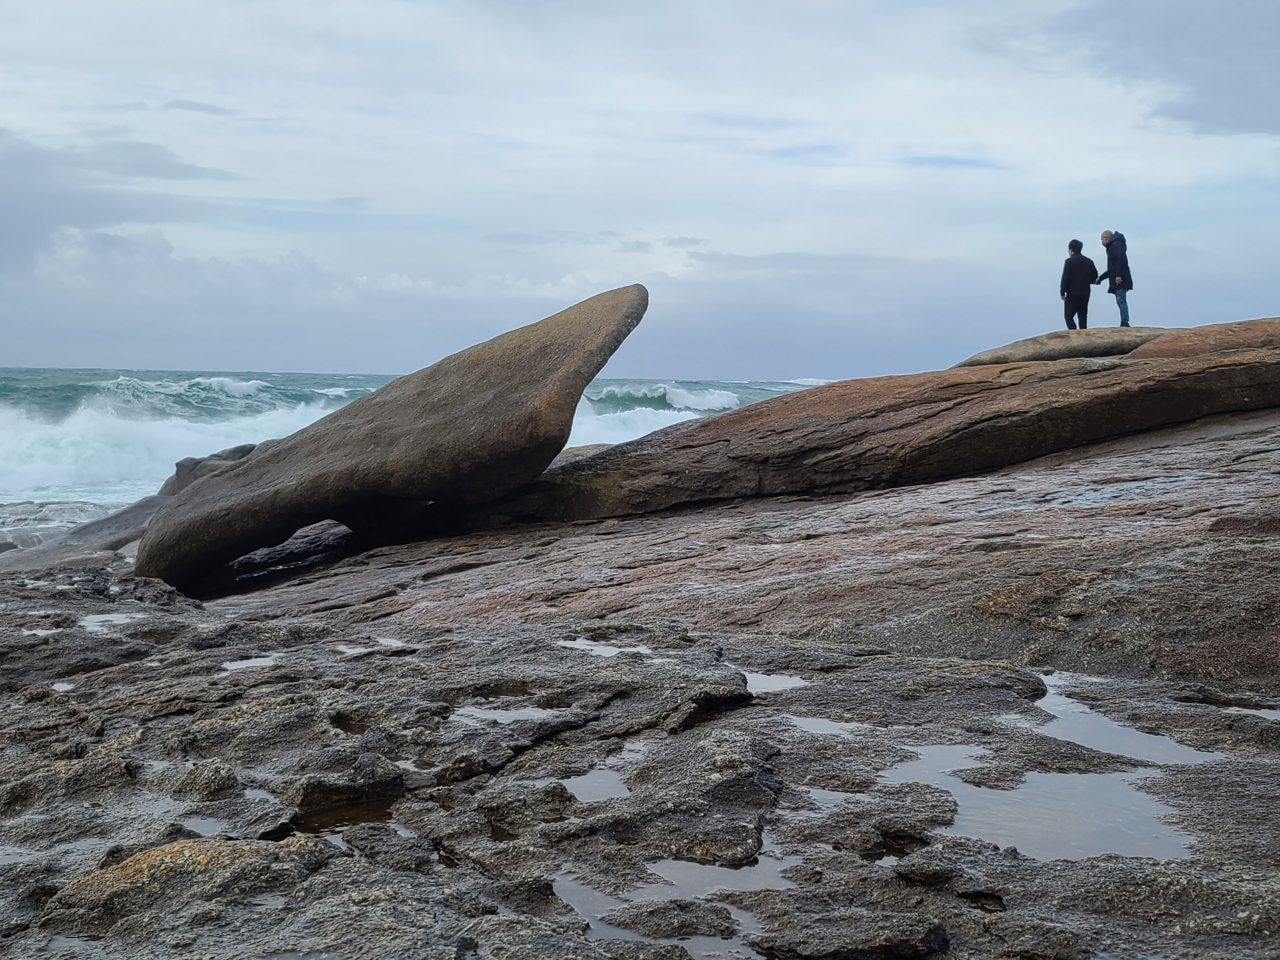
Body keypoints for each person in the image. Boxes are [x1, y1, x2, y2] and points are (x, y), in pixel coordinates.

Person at [1059, 239, 1098, 330]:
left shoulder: (1069, 262)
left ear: (1071, 250)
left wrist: (1062, 292)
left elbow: (1065, 278)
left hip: (1072, 293)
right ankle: (1083, 333)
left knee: (1068, 316)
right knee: (1083, 315)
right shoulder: (1089, 262)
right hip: (1085, 292)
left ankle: (1073, 332)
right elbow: (1095, 276)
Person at [1097, 229, 1133, 327]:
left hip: (1121, 279)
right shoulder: (1113, 246)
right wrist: (1100, 278)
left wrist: (1118, 275)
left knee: (1121, 300)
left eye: (1102, 240)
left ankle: (1125, 322)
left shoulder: (1116, 245)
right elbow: (1112, 268)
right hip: (1118, 277)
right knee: (1120, 300)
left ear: (1105, 238)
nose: (1102, 242)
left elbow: (1121, 260)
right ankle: (1124, 321)